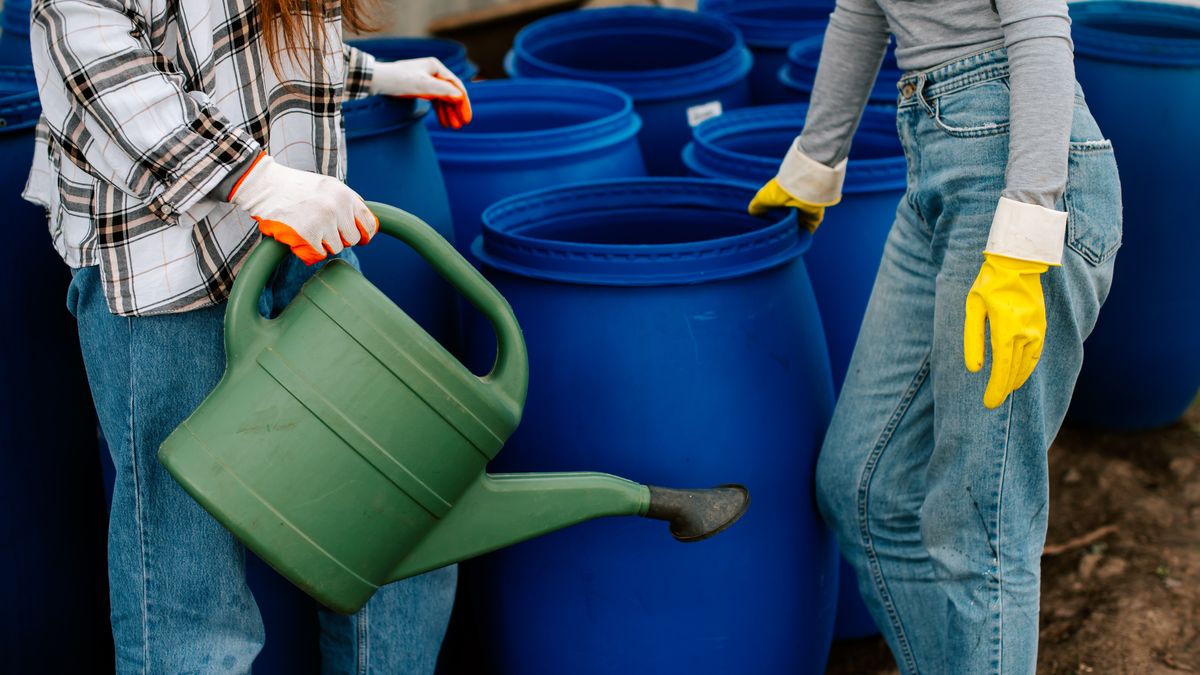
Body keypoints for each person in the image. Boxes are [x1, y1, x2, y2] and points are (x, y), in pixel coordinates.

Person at [23, 0, 472, 670]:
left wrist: (369, 75)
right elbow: (97, 59)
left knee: (398, 521)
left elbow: (234, 41)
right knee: (190, 591)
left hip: (296, 240)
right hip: (164, 266)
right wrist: (257, 181)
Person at [749, 1, 1121, 672]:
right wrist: (813, 161)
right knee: (862, 482)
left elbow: (1040, 31)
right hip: (934, 162)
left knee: (978, 525)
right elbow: (861, 10)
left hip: (1018, 177)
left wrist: (1023, 237)